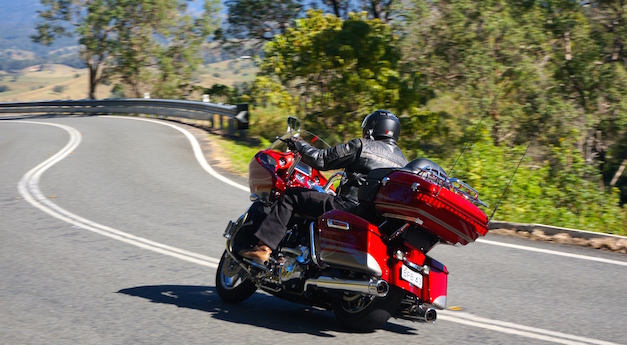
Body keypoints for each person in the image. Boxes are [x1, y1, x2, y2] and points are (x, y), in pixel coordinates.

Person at [240, 110, 409, 264]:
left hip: (346, 207)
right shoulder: (403, 163)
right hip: (376, 220)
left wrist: (298, 143)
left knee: (291, 196)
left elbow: (321, 159)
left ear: (371, 129)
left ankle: (264, 248)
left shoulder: (362, 146)